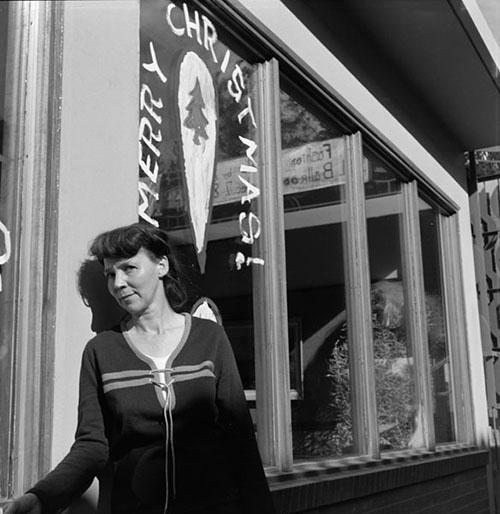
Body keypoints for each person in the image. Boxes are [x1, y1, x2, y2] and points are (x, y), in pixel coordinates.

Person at [5, 222, 275, 514]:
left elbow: (240, 439)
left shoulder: (209, 337)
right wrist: (42, 497)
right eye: (110, 274)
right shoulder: (102, 351)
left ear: (161, 266)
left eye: (129, 268)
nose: (117, 283)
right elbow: (92, 447)